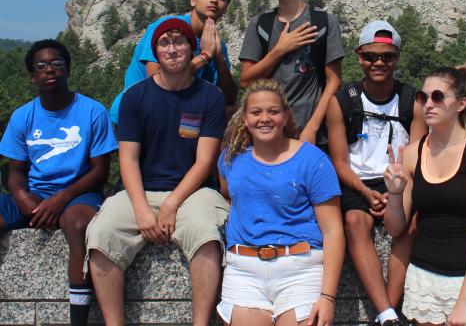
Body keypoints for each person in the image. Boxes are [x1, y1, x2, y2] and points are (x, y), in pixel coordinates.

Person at [86, 18, 229, 326]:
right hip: (140, 188)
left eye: (179, 42)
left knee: (206, 233)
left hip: (193, 190)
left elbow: (204, 161)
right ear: (155, 52)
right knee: (101, 233)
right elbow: (128, 159)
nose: (172, 49)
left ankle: (200, 323)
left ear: (192, 48)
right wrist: (141, 210)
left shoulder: (210, 96)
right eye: (164, 43)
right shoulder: (134, 97)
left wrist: (170, 204)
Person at [0, 39, 117, 326]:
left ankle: (78, 318)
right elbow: (15, 171)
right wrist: (23, 197)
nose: (49, 70)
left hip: (80, 193)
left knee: (77, 225)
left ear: (67, 70)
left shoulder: (93, 112)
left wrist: (61, 200)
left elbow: (100, 171)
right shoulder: (23, 116)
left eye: (56, 64)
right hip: (36, 192)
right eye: (41, 66)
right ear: (33, 76)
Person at [383, 66, 466, 326]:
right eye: (423, 97)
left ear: (461, 103)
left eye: (438, 96)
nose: (428, 104)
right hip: (425, 279)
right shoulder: (411, 153)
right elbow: (395, 228)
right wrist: (395, 194)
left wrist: (465, 301)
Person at [216, 79, 344, 326]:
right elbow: (229, 192)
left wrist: (328, 296)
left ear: (286, 116)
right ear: (245, 118)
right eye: (256, 112)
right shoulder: (231, 158)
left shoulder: (313, 160)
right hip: (244, 272)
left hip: (300, 271)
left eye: (273, 111)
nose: (265, 118)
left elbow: (333, 230)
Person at [326, 20, 426, 326]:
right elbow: (340, 162)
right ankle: (386, 313)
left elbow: (417, 154)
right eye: (371, 56)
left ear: (397, 57)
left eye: (387, 56)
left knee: (409, 226)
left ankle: (390, 310)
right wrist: (366, 191)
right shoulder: (341, 101)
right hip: (358, 183)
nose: (379, 62)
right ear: (359, 56)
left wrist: (396, 190)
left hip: (401, 178)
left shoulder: (414, 101)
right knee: (355, 221)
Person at [239, 0, 344, 145]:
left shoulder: (324, 22)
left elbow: (334, 81)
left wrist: (312, 129)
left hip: (314, 132)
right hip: (270, 132)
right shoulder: (260, 25)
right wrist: (280, 49)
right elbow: (246, 80)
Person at [109, 0, 237, 123]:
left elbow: (229, 99)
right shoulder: (168, 28)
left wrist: (220, 59)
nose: (214, 0)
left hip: (177, 119)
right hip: (136, 117)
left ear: (226, 8)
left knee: (239, 111)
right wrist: (205, 56)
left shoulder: (217, 43)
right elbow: (156, 79)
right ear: (193, 0)